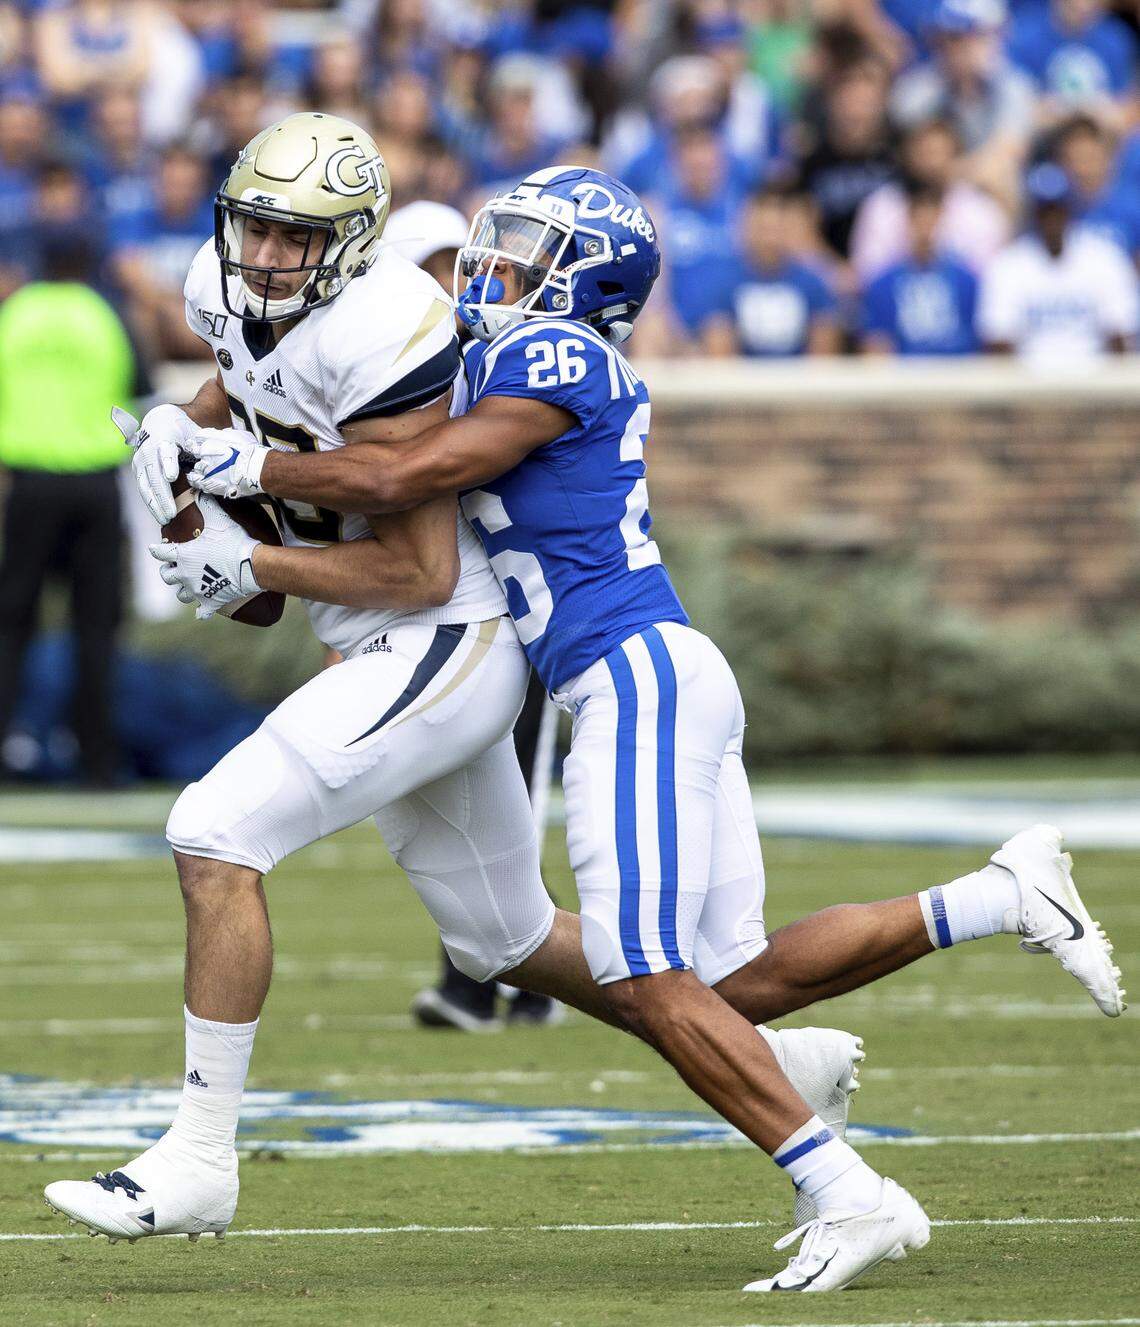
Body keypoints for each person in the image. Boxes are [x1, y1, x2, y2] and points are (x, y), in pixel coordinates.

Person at [180, 166, 1124, 1292]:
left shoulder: (561, 354)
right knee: (732, 989)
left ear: (586, 276)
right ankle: (1006, 894)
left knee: (641, 967)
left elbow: (424, 468)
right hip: (656, 676)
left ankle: (846, 1190)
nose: (493, 260)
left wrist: (260, 465)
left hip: (630, 677)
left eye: (527, 245)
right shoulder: (489, 349)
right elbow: (365, 417)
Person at [42, 121, 871, 1256]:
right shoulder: (222, 290)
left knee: (213, 831)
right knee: (505, 937)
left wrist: (255, 544)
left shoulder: (388, 330)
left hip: (442, 635)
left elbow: (414, 564)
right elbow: (240, 400)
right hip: (384, 630)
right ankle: (762, 1054)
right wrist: (182, 458)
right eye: (256, 225)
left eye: (296, 235)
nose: (266, 253)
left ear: (348, 247)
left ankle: (196, 1157)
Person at [385, 197, 563, 1030]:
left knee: (513, 799)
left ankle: (492, 983)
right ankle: (516, 979)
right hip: (440, 614)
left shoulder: (505, 361)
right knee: (449, 798)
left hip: (518, 607)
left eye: (452, 266)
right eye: (431, 268)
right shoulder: (387, 366)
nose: (454, 285)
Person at [0, 226, 144, 785]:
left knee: (12, 625)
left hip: (30, 484)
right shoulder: (104, 314)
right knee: (96, 627)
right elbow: (140, 383)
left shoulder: (16, 315)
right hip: (94, 487)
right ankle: (98, 758)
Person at [978, 160, 1139, 365]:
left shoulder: (1103, 258)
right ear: (1034, 214)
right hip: (1027, 388)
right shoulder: (1009, 265)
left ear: (1070, 210)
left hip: (1094, 386)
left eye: (1058, 210)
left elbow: (1120, 337)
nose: (1052, 220)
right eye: (1045, 212)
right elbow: (999, 341)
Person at [701, 185, 841, 356]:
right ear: (747, 229)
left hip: (800, 380)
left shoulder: (813, 283)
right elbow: (719, 353)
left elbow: (823, 354)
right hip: (741, 380)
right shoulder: (724, 283)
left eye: (775, 229)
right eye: (762, 229)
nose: (769, 239)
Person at [859, 182, 980, 355]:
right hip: (903, 376)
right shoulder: (883, 283)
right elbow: (876, 345)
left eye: (931, 219)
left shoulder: (966, 280)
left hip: (957, 373)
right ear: (908, 219)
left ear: (941, 218)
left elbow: (976, 340)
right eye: (919, 218)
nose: (925, 228)